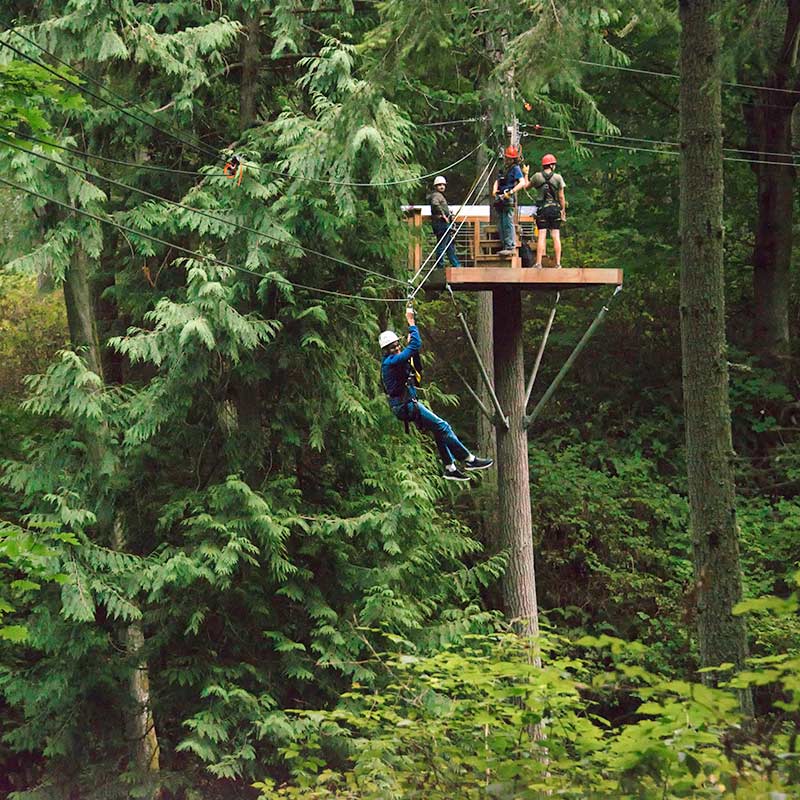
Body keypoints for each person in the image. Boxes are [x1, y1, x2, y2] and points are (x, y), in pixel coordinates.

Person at [380, 307, 494, 481]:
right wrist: (411, 323)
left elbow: (416, 368)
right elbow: (415, 345)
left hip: (406, 405)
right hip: (406, 406)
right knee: (443, 426)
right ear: (386, 350)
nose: (396, 348)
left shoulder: (396, 360)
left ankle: (450, 467)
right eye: (392, 347)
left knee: (438, 429)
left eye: (397, 345)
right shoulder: (391, 362)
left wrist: (412, 347)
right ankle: (468, 459)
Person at [529, 153, 567, 268]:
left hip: (542, 210)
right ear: (551, 166)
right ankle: (558, 263)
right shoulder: (558, 178)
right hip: (555, 209)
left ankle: (539, 263)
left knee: (542, 235)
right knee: (556, 235)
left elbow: (526, 186)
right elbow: (561, 197)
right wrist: (563, 210)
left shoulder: (537, 177)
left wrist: (526, 174)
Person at [491, 145, 527, 256]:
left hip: (508, 197)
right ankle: (505, 245)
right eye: (507, 157)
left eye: (509, 158)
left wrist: (511, 192)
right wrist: (494, 190)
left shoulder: (515, 169)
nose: (507, 159)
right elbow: (498, 180)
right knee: (501, 223)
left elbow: (522, 183)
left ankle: (510, 246)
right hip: (500, 197)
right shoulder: (503, 168)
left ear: (513, 159)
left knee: (508, 222)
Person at [427, 175, 461, 268]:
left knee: (449, 245)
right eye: (439, 185)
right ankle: (440, 266)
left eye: (443, 185)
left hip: (442, 222)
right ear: (435, 187)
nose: (442, 186)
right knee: (442, 244)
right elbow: (435, 204)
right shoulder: (436, 195)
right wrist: (443, 215)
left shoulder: (439, 195)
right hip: (441, 223)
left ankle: (456, 265)